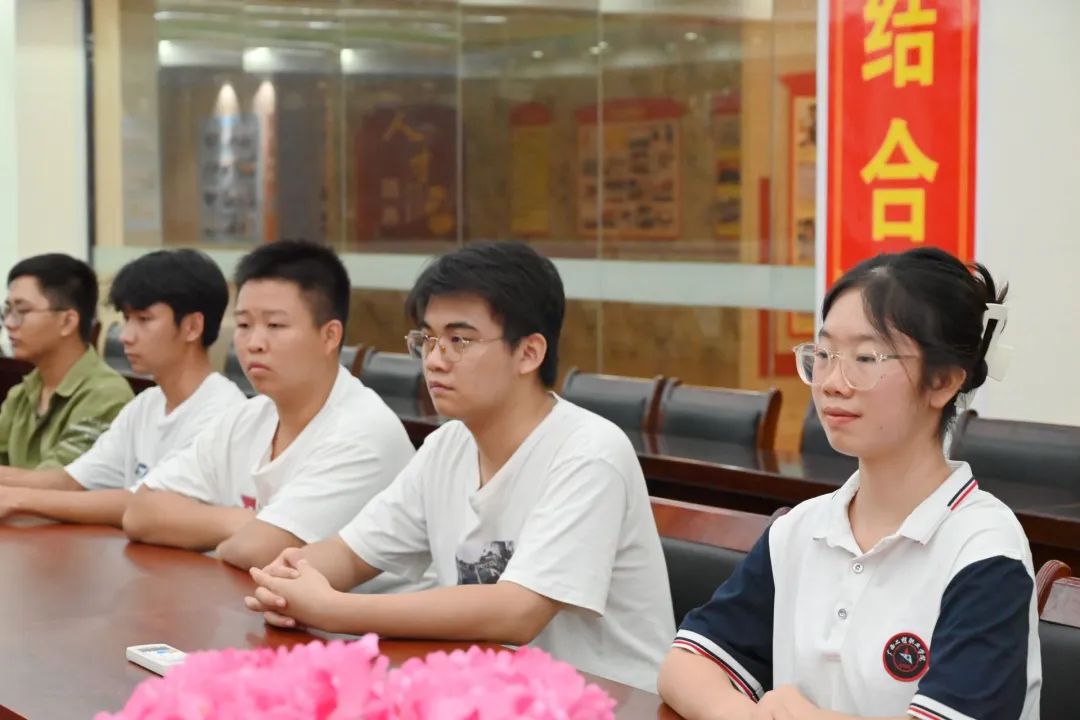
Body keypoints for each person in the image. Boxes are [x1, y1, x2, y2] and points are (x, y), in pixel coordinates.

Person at [244, 242, 675, 691]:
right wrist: (290, 579)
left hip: (610, 701)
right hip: (489, 691)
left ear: (529, 353)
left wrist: (333, 610)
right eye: (427, 339)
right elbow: (352, 554)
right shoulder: (446, 446)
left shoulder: (589, 452)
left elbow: (517, 612)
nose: (434, 360)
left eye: (459, 341)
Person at [658, 248, 1040, 719]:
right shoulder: (800, 530)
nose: (832, 383)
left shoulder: (983, 549)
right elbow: (686, 664)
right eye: (823, 355)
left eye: (865, 357)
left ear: (942, 381)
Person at [121, 241, 416, 575]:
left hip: (359, 611)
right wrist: (243, 521)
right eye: (244, 325)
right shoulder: (247, 417)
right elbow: (140, 513)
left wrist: (226, 539)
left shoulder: (363, 432)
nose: (254, 343)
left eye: (275, 326)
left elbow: (259, 552)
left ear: (330, 336)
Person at [0, 250, 245, 526]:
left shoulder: (224, 414)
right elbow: (71, 481)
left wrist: (19, 500)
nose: (126, 336)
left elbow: (144, 504)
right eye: (127, 319)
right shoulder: (145, 405)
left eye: (144, 319)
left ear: (192, 326)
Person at [0, 254, 133, 474]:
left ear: (68, 321)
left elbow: (57, 480)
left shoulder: (107, 395)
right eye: (7, 311)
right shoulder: (21, 394)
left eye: (22, 311)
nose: (9, 324)